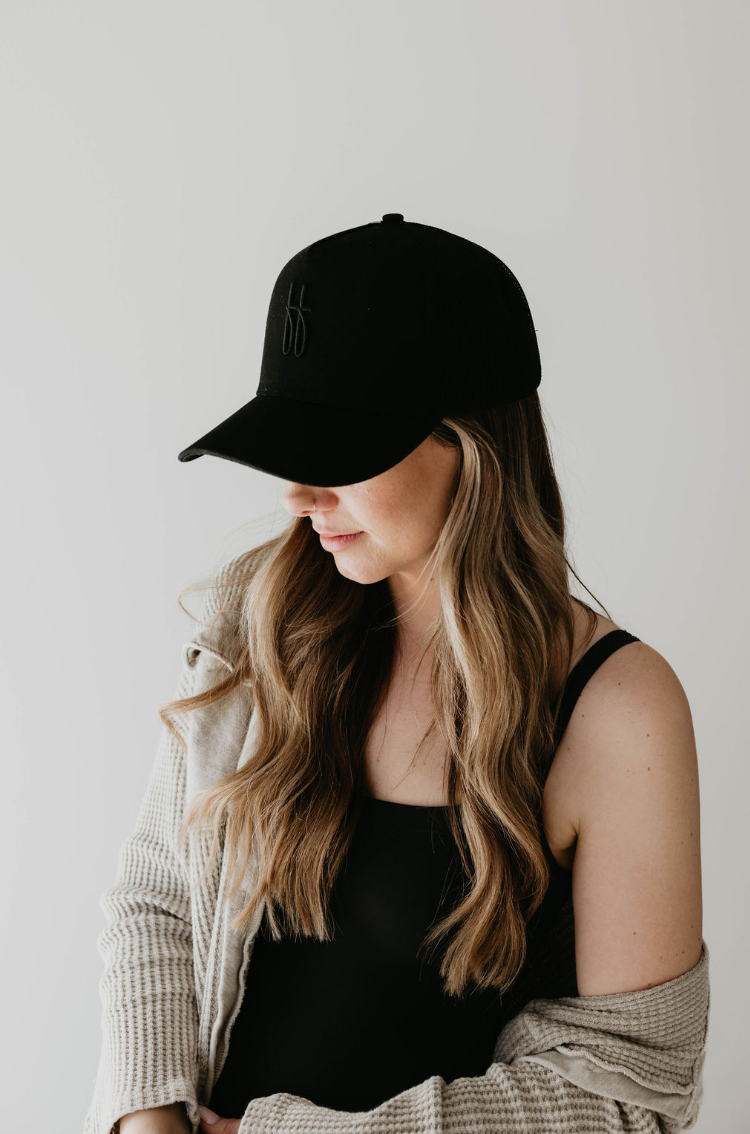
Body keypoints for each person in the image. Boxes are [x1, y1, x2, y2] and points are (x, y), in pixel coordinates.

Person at [85, 214, 706, 1134]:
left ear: (471, 445)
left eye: (335, 453)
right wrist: (148, 1122)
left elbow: (627, 1094)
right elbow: (157, 895)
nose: (298, 496)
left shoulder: (616, 711)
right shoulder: (258, 620)